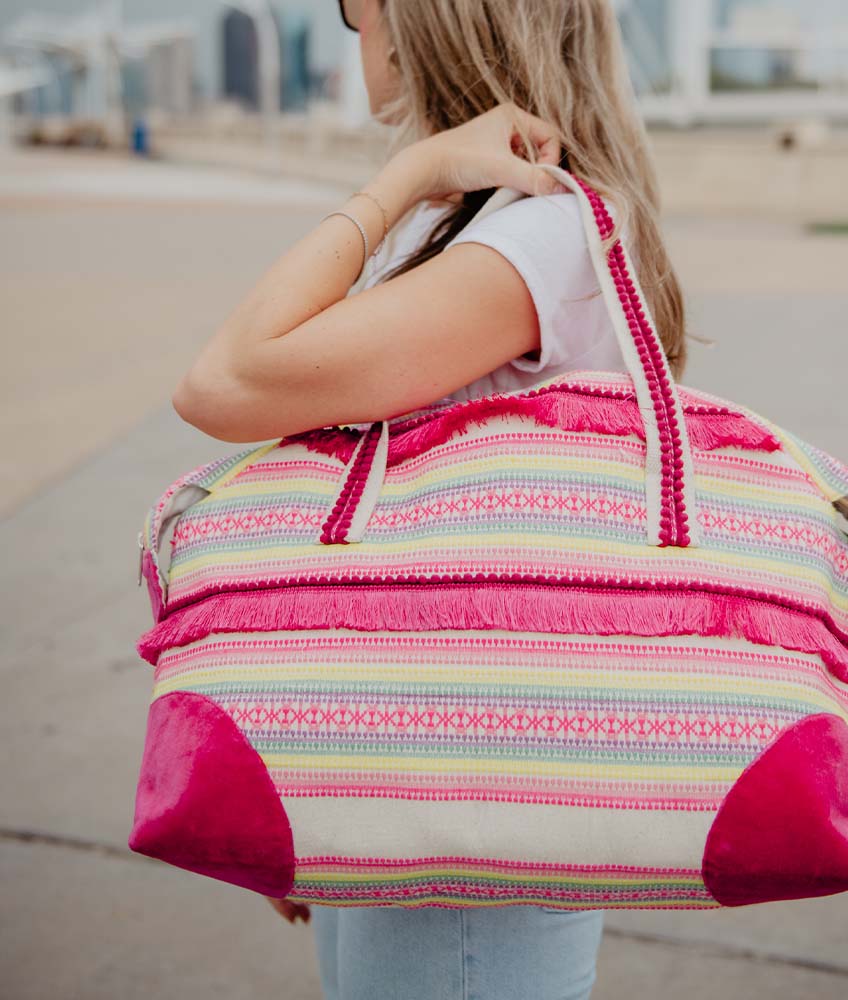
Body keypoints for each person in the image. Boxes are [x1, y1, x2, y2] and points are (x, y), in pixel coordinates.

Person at [171, 1, 689, 996]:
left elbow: (224, 380)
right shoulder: (479, 225)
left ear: (422, 23)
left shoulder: (535, 238)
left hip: (474, 788)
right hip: (414, 752)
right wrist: (317, 774)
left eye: (354, 11)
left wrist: (406, 168)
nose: (349, 30)